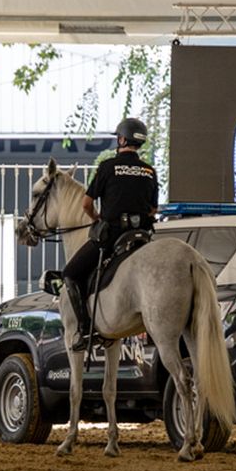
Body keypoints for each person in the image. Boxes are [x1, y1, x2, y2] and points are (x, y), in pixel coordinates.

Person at [60, 118, 159, 352]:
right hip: (141, 237)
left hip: (113, 235)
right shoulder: (149, 170)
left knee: (71, 274)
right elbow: (153, 209)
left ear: (122, 139)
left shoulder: (108, 166)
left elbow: (86, 204)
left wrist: (97, 219)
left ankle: (84, 329)